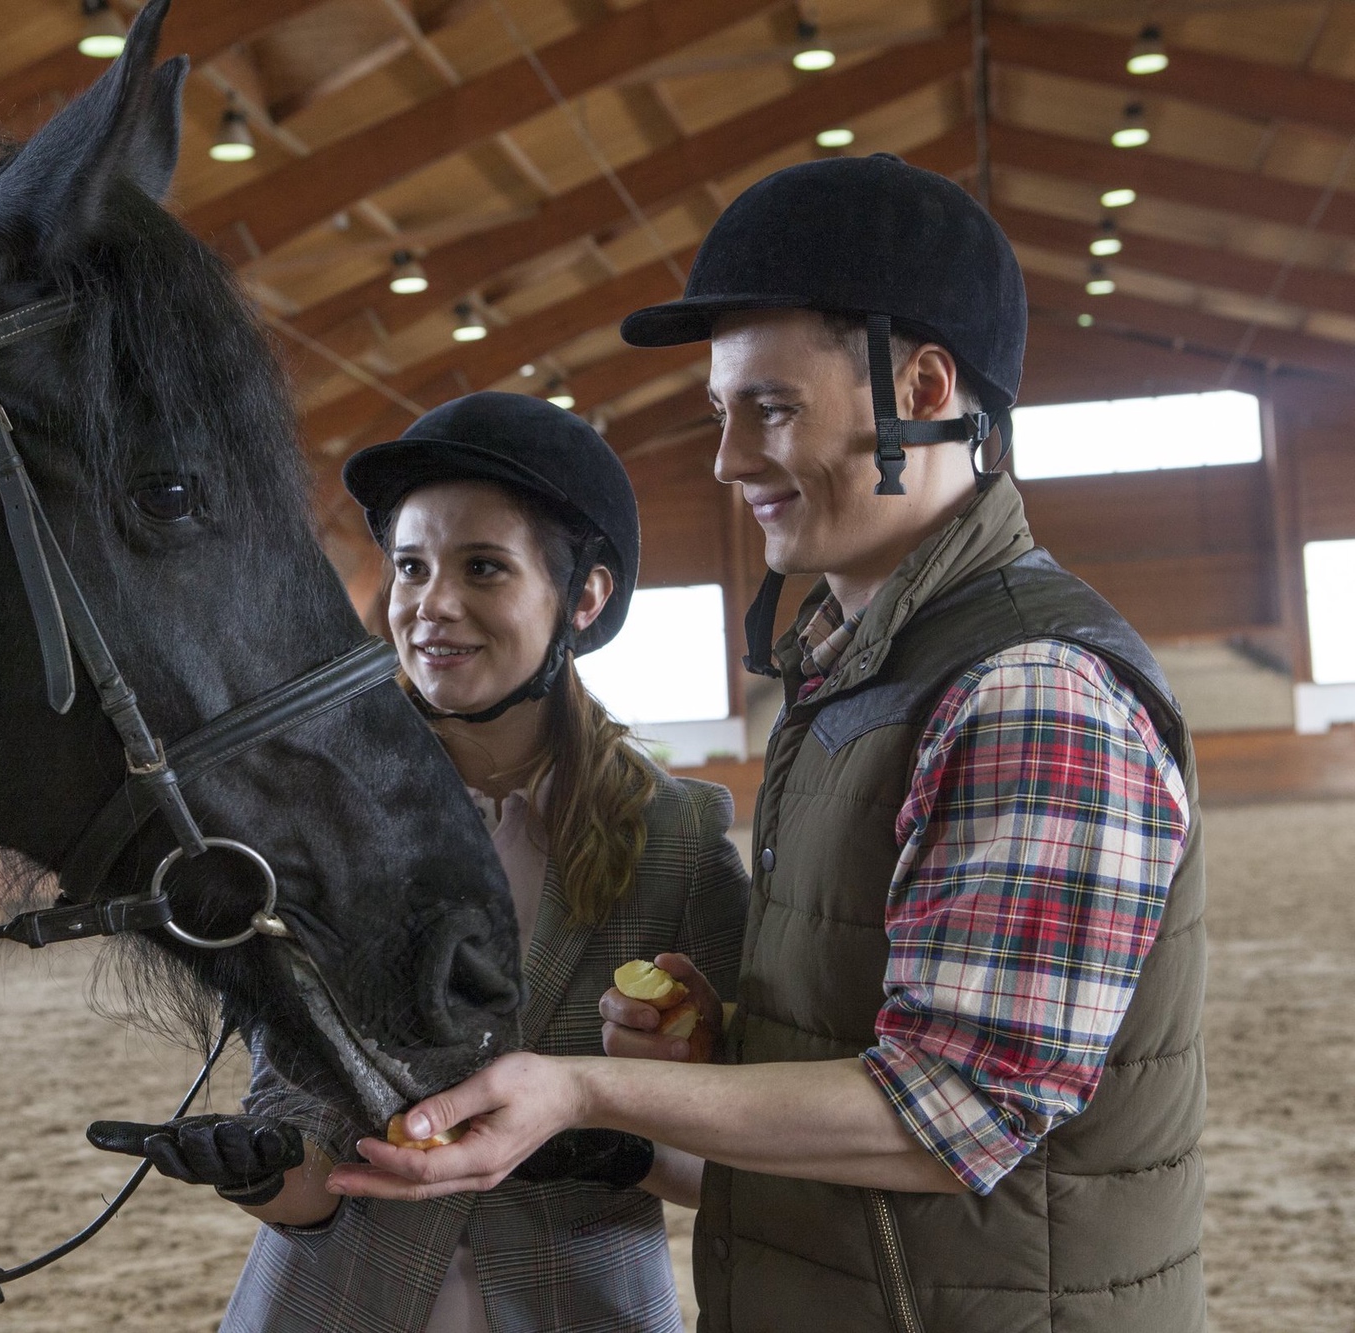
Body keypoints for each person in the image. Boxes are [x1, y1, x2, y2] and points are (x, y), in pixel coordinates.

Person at [327, 155, 1205, 1333]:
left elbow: (957, 1104)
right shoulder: (863, 667)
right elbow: (869, 1031)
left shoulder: (1028, 691)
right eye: (719, 414)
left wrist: (586, 1085)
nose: (728, 460)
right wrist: (724, 1043)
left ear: (925, 386)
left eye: (770, 409)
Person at [91, 391, 750, 1331]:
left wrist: (621, 1139)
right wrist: (265, 1170)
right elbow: (311, 1150)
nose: (433, 606)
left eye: (484, 567)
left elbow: (737, 1159)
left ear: (586, 596)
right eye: (410, 567)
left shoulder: (679, 840)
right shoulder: (313, 824)